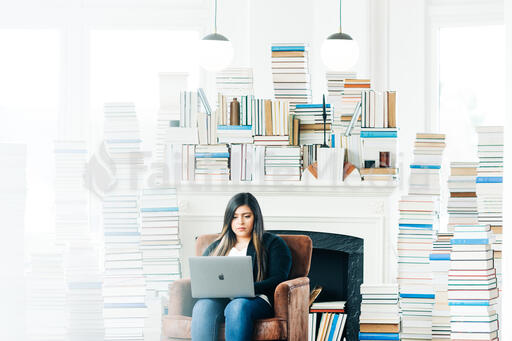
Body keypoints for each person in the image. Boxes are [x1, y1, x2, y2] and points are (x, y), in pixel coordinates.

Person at [191, 192, 292, 341]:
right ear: (228, 219)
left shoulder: (273, 244)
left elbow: (279, 278)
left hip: (256, 300)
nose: (240, 222)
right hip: (221, 299)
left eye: (246, 216)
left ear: (255, 217)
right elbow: (202, 278)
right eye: (235, 216)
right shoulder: (216, 247)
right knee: (202, 306)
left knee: (237, 306)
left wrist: (247, 289)